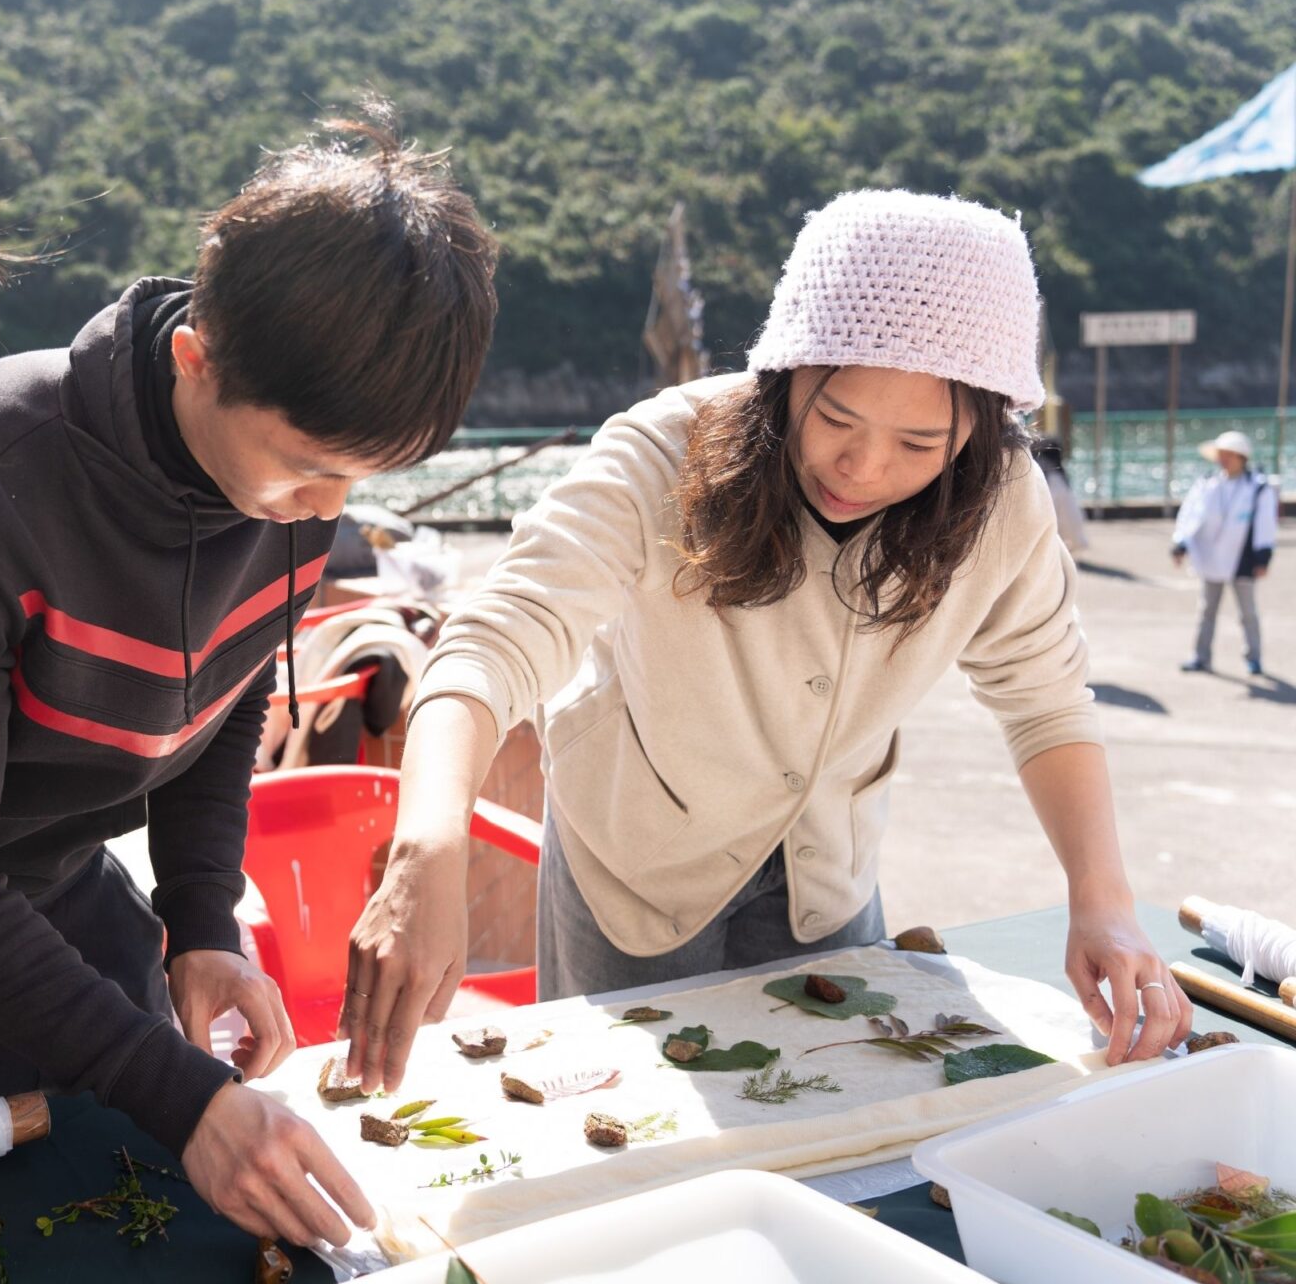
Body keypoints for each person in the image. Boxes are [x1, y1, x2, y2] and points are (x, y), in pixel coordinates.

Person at [0, 111, 498, 1250]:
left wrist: (201, 921)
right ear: (194, 359)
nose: (328, 516)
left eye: (360, 481)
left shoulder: (295, 503)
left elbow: (227, 698)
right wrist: (185, 1098)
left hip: (75, 918)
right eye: (310, 471)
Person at [342, 189, 1195, 1097]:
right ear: (784, 373)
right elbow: (496, 638)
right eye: (835, 420)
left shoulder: (1005, 500)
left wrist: (1103, 901)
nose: (863, 470)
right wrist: (427, 850)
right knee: (631, 1113)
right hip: (635, 853)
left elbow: (1047, 700)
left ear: (980, 429)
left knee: (839, 1101)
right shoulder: (659, 453)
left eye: (917, 442)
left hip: (829, 865)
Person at [1173, 430, 1275, 676]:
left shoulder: (1258, 487)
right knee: (1207, 609)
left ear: (1241, 457)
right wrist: (1180, 542)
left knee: (1247, 612)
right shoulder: (1208, 483)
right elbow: (1190, 515)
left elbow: (1265, 524)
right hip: (1211, 555)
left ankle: (1254, 657)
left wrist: (1263, 556)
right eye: (1221, 454)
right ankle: (1200, 656)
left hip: (1243, 558)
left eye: (1229, 455)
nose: (1224, 459)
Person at [1032, 437, 1089, 555]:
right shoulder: (1060, 481)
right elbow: (1072, 519)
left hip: (1047, 547)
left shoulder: (1048, 481)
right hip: (1056, 545)